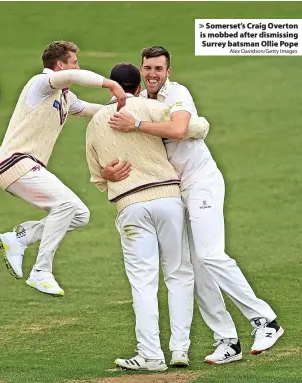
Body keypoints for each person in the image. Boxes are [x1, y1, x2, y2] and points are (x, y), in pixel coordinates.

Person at [105, 46, 284, 362]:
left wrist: (135, 125)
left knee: (210, 255)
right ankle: (228, 340)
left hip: (201, 183)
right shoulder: (141, 103)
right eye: (147, 68)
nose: (152, 74)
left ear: (168, 71)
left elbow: (177, 128)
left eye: (159, 69)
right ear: (141, 69)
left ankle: (265, 320)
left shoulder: (178, 94)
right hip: (173, 193)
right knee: (197, 269)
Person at [86, 63, 210, 370]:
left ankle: (151, 356)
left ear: (111, 87)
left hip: (129, 205)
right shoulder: (151, 107)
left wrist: (108, 173)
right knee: (179, 274)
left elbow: (98, 179)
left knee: (143, 282)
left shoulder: (95, 123)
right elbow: (195, 128)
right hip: (168, 199)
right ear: (138, 86)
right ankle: (180, 350)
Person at [0, 41, 127, 297]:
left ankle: (21, 237)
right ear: (59, 65)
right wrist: (111, 84)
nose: (77, 66)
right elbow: (74, 76)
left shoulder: (66, 96)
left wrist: (127, 109)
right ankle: (41, 272)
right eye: (73, 61)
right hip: (16, 162)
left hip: (27, 166)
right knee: (64, 205)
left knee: (79, 215)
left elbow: (93, 111)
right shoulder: (41, 84)